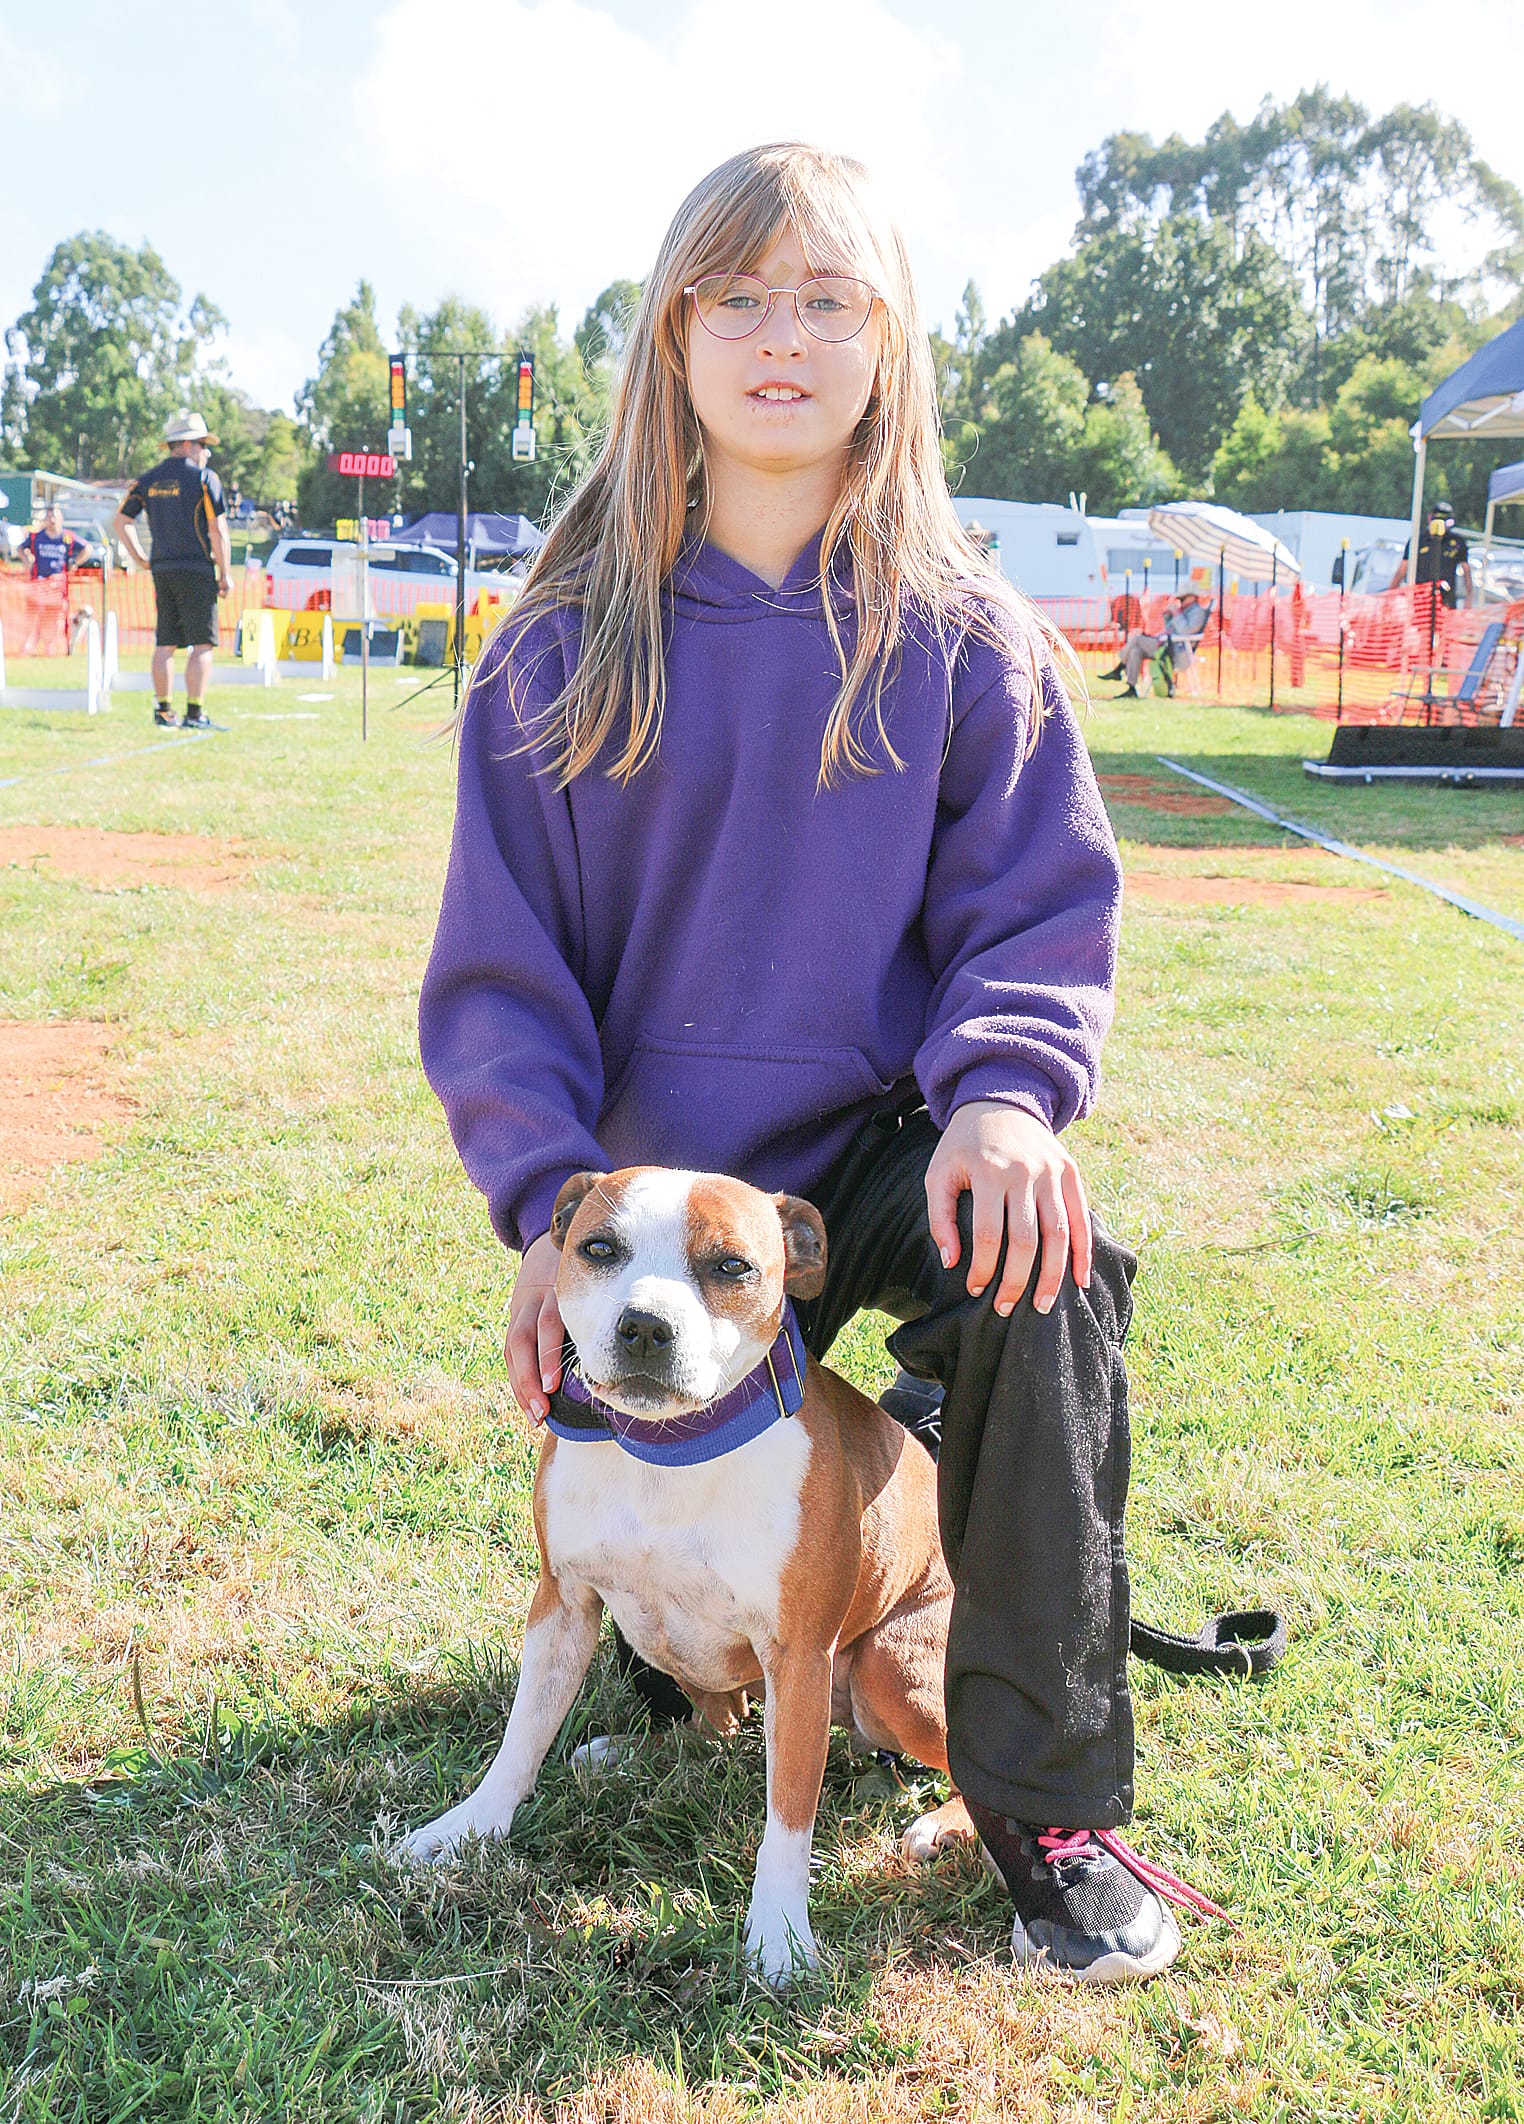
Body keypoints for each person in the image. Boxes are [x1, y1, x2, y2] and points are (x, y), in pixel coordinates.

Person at [419, 143, 1210, 1984]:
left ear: (887, 344)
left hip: (867, 1147)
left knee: (1052, 1263)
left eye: (828, 298)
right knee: (676, 1594)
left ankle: (1045, 1798)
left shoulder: (965, 641)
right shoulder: (560, 647)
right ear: (673, 338)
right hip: (656, 1193)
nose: (782, 335)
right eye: (739, 297)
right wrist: (545, 1207)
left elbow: (1033, 905)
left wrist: (1005, 1091)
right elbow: (500, 970)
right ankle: (679, 1629)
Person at [111, 413, 232, 728]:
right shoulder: (205, 478)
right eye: (203, 444)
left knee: (165, 643)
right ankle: (195, 713)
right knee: (202, 644)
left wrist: (141, 558)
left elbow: (121, 521)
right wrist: (225, 572)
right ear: (188, 445)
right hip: (197, 567)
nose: (206, 452)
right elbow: (217, 530)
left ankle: (163, 712)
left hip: (162, 568)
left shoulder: (148, 479)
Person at [1100, 592, 1210, 697]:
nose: (1180, 602)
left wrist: (1176, 613)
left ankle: (1119, 668)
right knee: (1135, 651)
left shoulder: (1197, 611)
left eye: (1182, 599)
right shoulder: (1184, 611)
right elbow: (1170, 629)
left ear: (1192, 597)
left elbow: (1186, 631)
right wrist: (1168, 616)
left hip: (1175, 650)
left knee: (1137, 638)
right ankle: (1131, 688)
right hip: (1165, 644)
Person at [1387, 503, 1472, 609]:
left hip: (1446, 598)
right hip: (1421, 598)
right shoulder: (1418, 540)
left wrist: (1469, 598)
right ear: (1430, 518)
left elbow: (1466, 571)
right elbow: (1402, 569)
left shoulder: (1457, 542)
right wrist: (1390, 595)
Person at [21, 505, 82, 581]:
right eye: (49, 517)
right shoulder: (36, 536)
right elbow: (20, 548)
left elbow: (87, 548)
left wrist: (74, 563)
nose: (52, 520)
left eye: (54, 517)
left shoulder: (68, 536)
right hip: (39, 580)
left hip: (59, 581)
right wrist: (26, 561)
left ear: (61, 519)